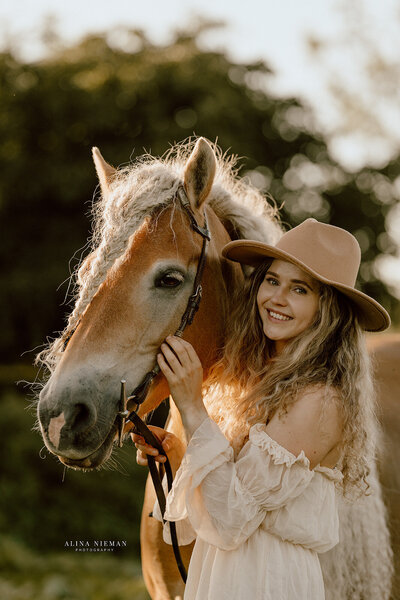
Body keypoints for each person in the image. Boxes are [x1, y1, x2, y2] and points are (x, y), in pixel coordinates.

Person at [132, 218, 390, 600]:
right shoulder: (254, 383)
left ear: (327, 310)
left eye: (299, 289)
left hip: (269, 582)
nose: (277, 298)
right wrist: (176, 455)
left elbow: (230, 519)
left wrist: (191, 404)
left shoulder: (321, 400)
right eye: (272, 280)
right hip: (220, 573)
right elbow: (203, 517)